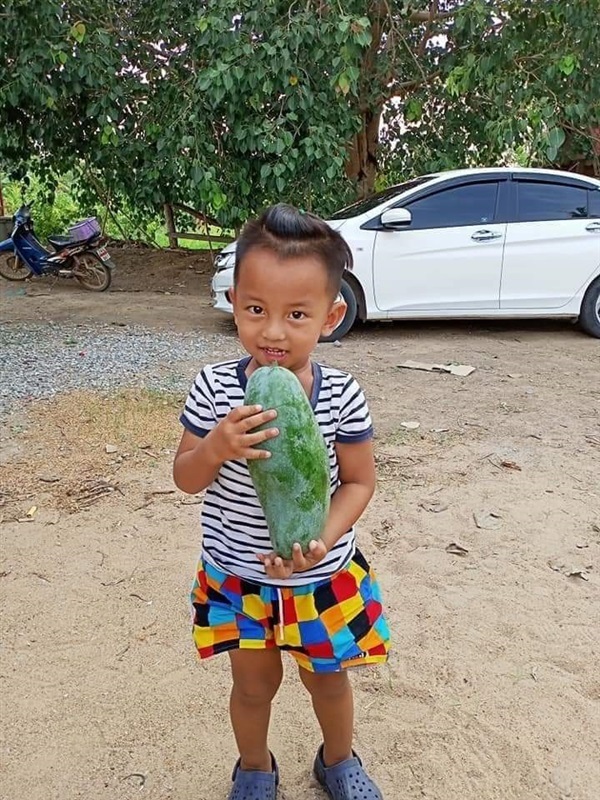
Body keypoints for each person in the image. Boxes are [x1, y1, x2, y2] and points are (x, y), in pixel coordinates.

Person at [173, 203, 390, 800]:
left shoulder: (342, 394)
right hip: (240, 578)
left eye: (297, 314)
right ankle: (254, 767)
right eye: (256, 310)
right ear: (234, 303)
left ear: (331, 315)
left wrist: (321, 535)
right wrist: (217, 445)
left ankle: (338, 760)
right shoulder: (215, 388)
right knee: (252, 687)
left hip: (320, 577)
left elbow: (359, 482)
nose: (273, 331)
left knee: (329, 682)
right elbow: (186, 478)